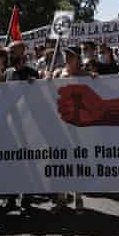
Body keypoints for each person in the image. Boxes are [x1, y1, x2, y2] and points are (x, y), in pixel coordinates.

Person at [0, 41, 40, 212]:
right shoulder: (6, 73)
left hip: (28, 125)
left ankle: (28, 196)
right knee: (11, 162)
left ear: (22, 53)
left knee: (28, 161)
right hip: (11, 124)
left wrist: (35, 86)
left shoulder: (32, 73)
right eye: (9, 52)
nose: (10, 55)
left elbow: (40, 99)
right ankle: (11, 197)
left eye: (13, 52)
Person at [51, 46, 92, 214]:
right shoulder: (58, 74)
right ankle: (61, 198)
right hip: (61, 125)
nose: (67, 58)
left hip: (79, 126)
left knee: (78, 161)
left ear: (78, 58)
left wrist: (97, 80)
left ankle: (78, 198)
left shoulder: (85, 76)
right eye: (66, 54)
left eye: (71, 55)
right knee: (61, 161)